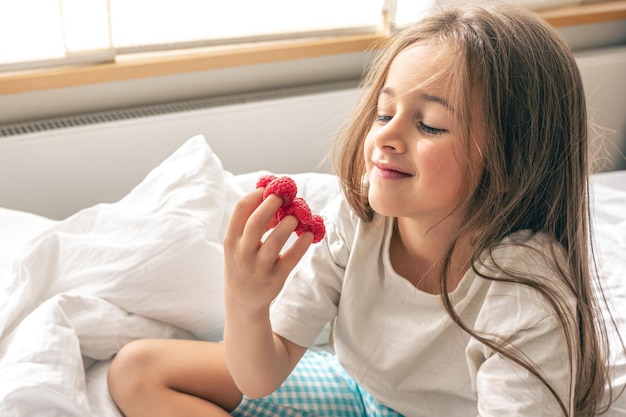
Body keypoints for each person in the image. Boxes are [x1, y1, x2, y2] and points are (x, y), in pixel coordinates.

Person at [107, 3, 619, 416]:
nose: (386, 137)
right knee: (137, 369)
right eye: (384, 111)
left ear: (512, 162)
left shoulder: (525, 294)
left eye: (431, 125)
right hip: (359, 390)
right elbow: (260, 375)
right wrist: (246, 303)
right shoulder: (362, 219)